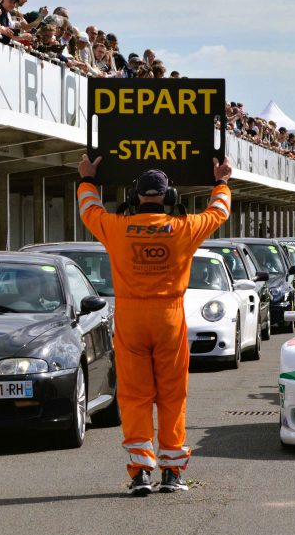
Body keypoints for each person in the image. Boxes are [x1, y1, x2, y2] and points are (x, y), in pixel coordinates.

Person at [76, 155, 233, 496]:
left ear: (134, 197)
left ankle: (139, 473)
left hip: (131, 317)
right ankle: (173, 472)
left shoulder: (116, 228)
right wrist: (221, 182)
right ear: (169, 197)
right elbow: (218, 211)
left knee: (133, 396)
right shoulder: (184, 228)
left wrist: (88, 178)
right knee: (172, 396)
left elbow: (89, 209)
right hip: (168, 316)